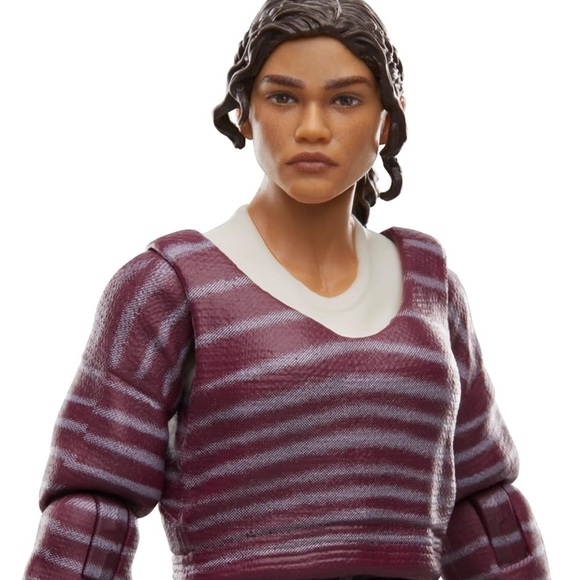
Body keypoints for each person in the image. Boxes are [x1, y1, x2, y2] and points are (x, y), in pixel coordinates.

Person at [24, 0, 550, 578]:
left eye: (345, 99)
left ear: (387, 121)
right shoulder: (170, 289)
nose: (312, 128)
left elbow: (485, 505)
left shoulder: (431, 288)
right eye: (283, 97)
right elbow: (94, 509)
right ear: (244, 115)